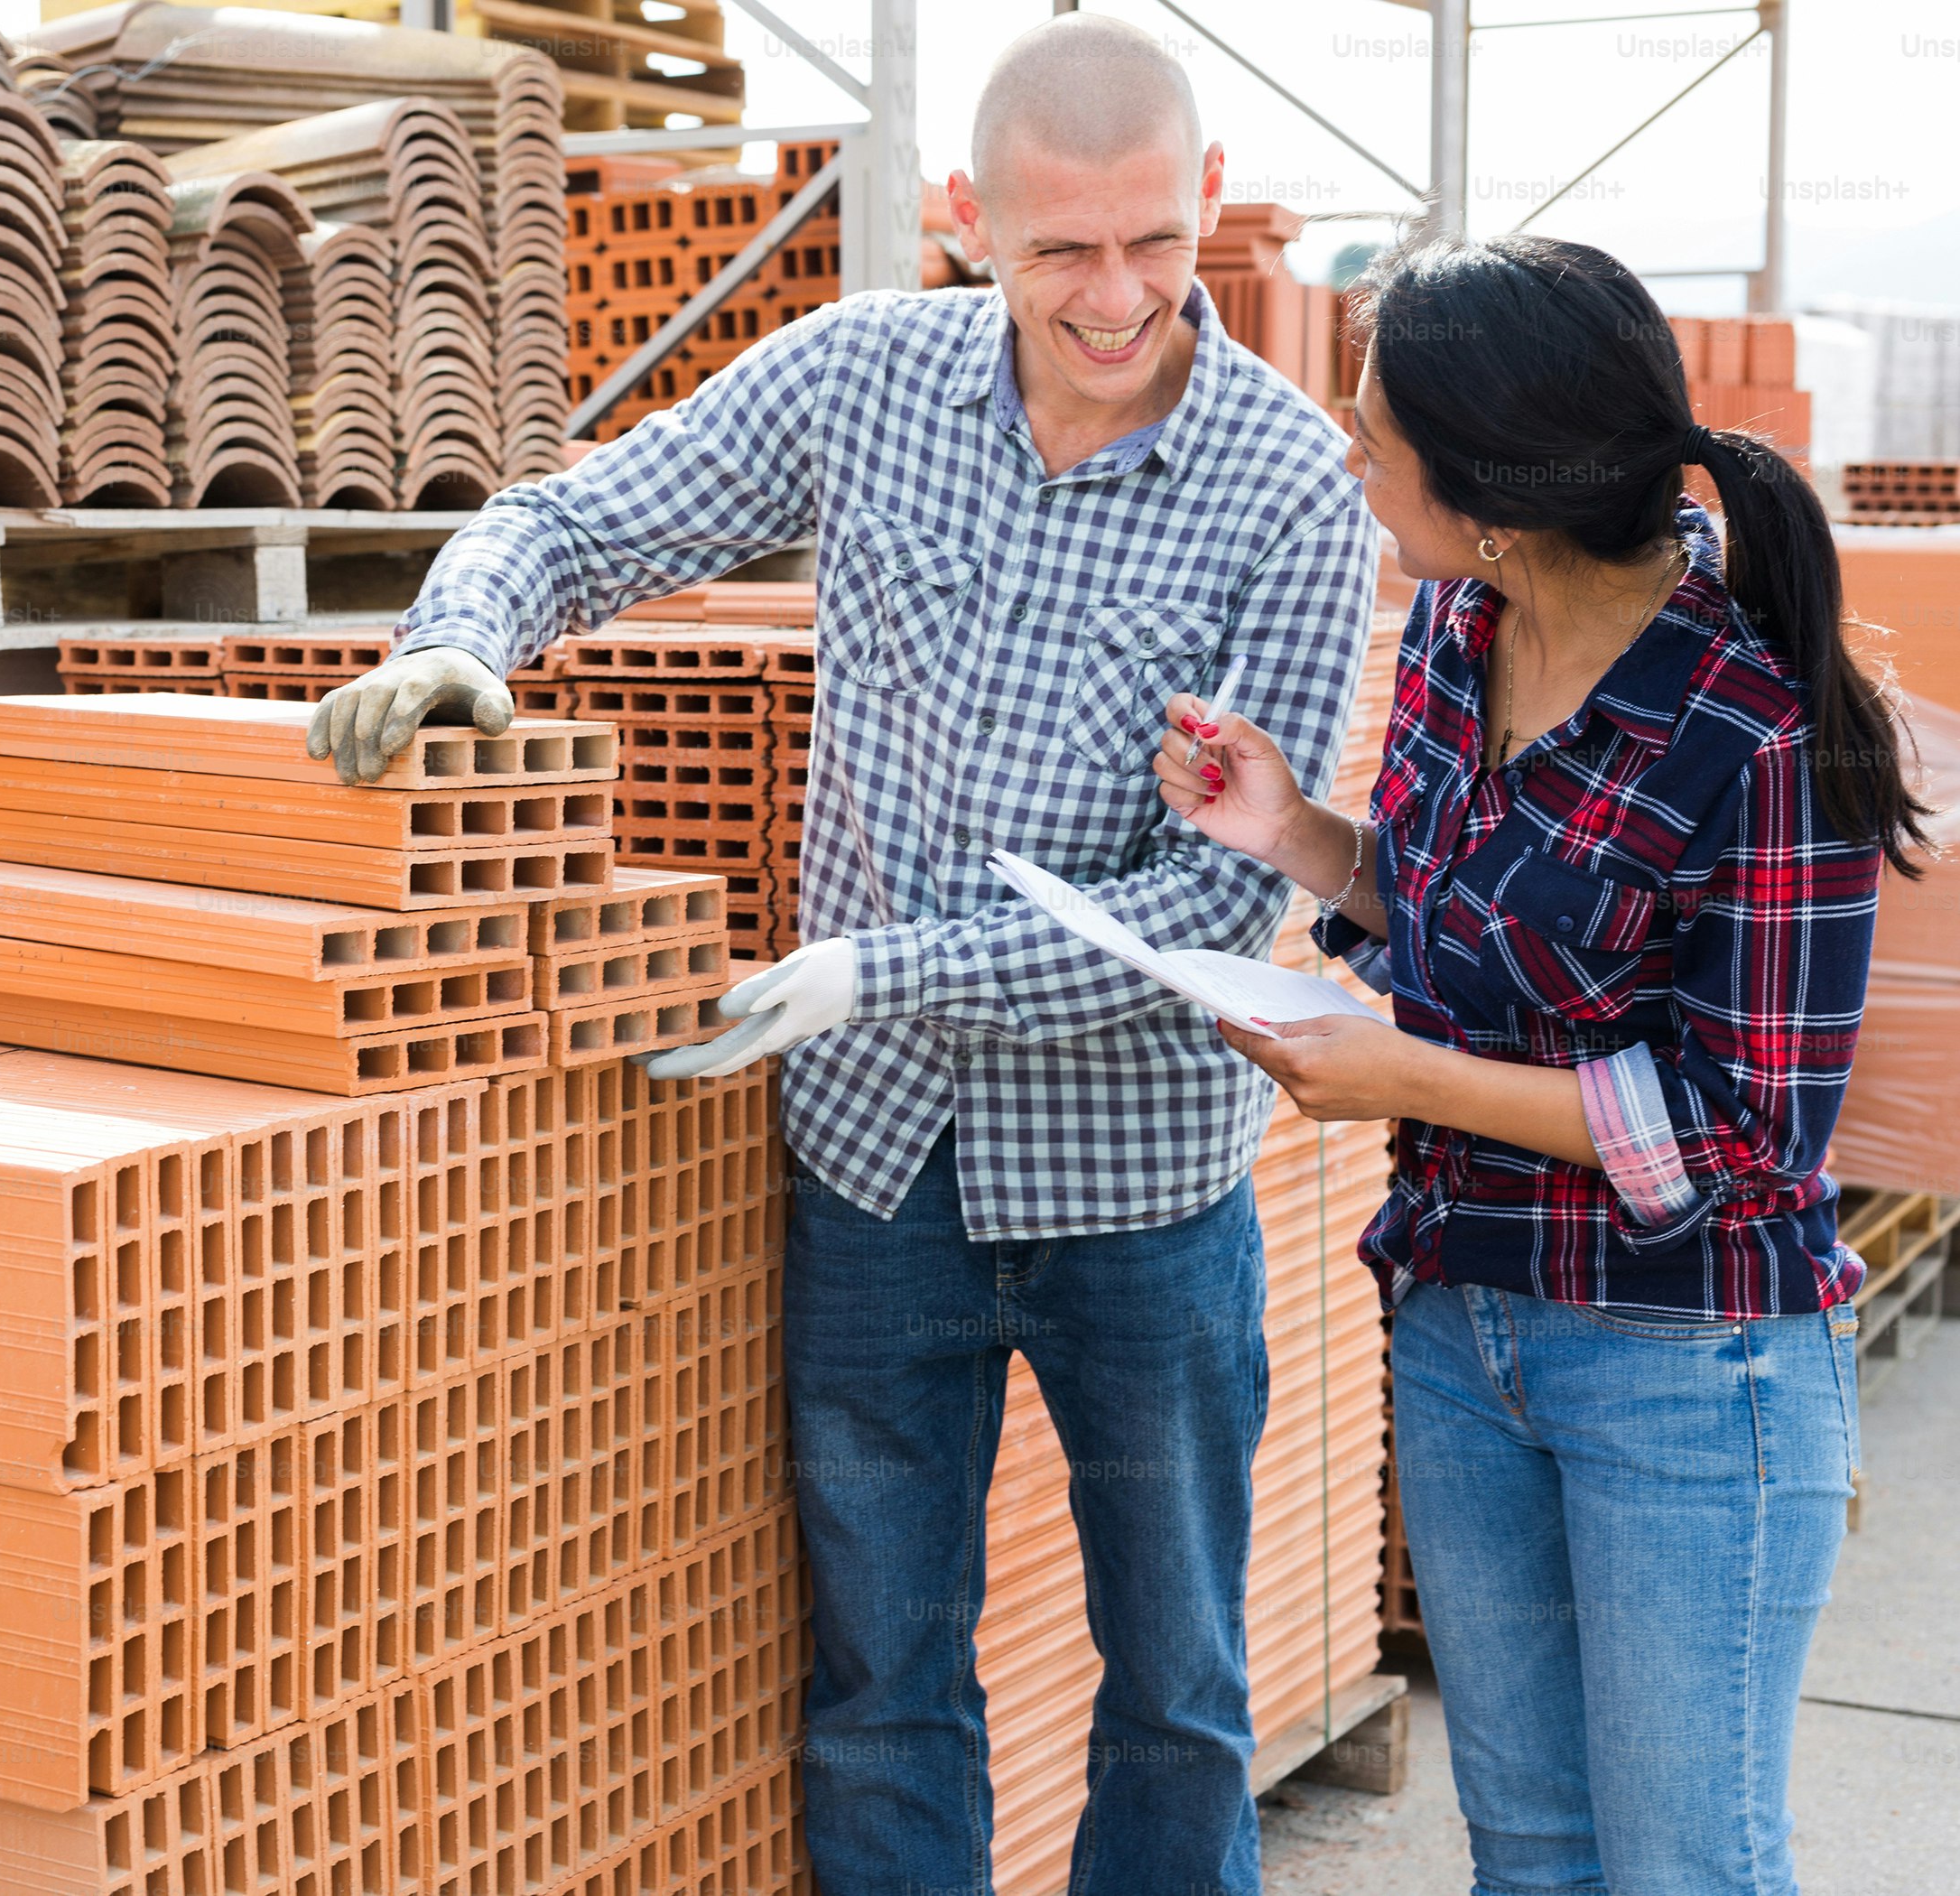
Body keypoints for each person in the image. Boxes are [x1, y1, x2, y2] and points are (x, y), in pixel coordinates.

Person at [309, 17, 1376, 1894]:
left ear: (1206, 199)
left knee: (1180, 1691)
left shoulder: (1288, 488)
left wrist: (885, 972)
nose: (1113, 297)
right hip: (878, 1176)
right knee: (884, 1681)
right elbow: (583, 518)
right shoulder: (860, 383)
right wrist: (460, 630)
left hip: (1136, 1194)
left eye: (1147, 241)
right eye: (1057, 252)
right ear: (964, 221)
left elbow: (1218, 909)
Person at [1156, 235, 1927, 1896]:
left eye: (1373, 437)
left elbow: (1746, 1139)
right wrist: (1290, 833)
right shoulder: (1454, 627)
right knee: (1529, 1858)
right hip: (1459, 1323)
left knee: (1680, 1868)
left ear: (1487, 484)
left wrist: (1401, 1081)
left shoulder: (1762, 721)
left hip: (1687, 1362)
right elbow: (1455, 930)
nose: (1347, 454)